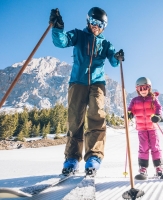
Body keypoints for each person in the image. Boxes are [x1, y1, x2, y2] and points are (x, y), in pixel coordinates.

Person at [49, 7, 124, 176]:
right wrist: (58, 27)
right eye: (93, 22)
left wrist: (117, 57)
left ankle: (94, 157)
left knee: (97, 114)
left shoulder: (106, 44)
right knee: (75, 118)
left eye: (100, 24)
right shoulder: (78, 35)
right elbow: (60, 42)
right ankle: (72, 158)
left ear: (104, 26)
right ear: (88, 21)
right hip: (77, 81)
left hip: (97, 83)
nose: (96, 26)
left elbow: (113, 61)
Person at [128, 77, 163, 177]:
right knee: (143, 147)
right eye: (140, 88)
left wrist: (158, 116)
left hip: (152, 127)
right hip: (141, 129)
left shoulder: (153, 98)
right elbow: (130, 110)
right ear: (137, 90)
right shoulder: (134, 100)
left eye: (145, 88)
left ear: (149, 88)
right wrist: (129, 114)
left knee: (155, 147)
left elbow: (159, 108)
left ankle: (158, 167)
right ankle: (143, 168)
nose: (143, 90)